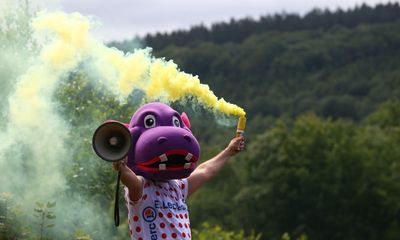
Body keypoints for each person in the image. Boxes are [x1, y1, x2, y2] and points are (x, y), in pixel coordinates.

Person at [113, 136, 245, 240]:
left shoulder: (178, 186)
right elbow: (130, 181)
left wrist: (229, 151)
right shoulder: (143, 186)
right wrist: (122, 166)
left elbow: (205, 171)